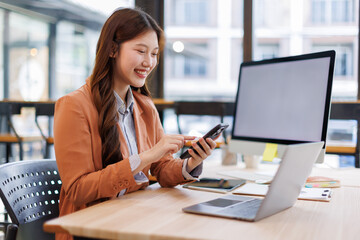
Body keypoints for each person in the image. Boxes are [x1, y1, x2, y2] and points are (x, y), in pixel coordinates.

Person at [54, 7, 217, 240]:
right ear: (112, 49)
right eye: (141, 51)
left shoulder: (145, 106)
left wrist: (191, 163)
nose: (148, 62)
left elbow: (161, 169)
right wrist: (146, 157)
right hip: (89, 229)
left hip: (132, 220)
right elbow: (79, 190)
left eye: (154, 53)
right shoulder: (74, 105)